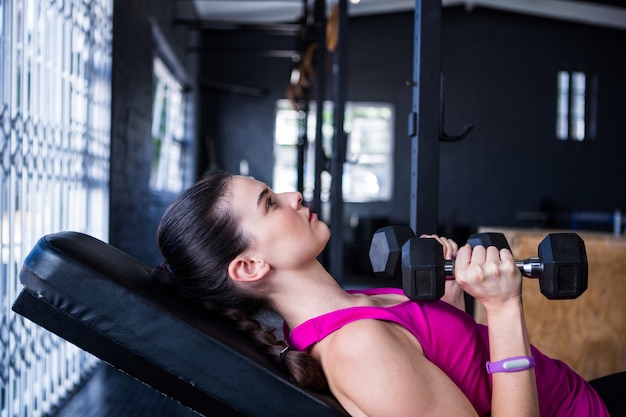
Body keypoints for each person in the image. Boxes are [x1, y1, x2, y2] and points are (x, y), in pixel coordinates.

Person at [153, 170, 610, 417]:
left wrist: (449, 298)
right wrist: (505, 307)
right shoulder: (356, 349)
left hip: (584, 397)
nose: (294, 196)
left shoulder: (348, 306)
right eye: (270, 202)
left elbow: (456, 371)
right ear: (249, 266)